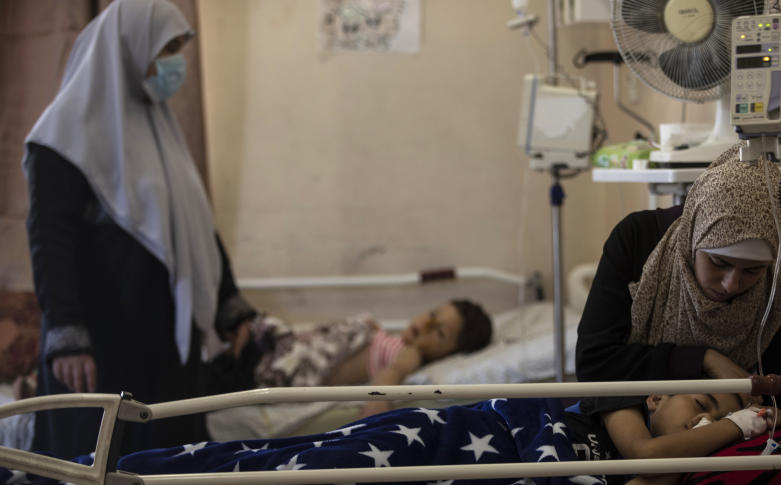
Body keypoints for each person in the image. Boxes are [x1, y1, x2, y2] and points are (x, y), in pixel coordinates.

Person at [22, 0, 256, 459]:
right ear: (128, 50)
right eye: (165, 48)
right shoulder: (61, 141)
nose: (175, 63)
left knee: (169, 472)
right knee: (97, 471)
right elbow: (50, 241)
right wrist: (67, 334)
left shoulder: (159, 130)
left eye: (177, 49)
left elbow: (194, 225)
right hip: (101, 342)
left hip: (164, 337)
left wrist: (230, 305)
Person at [575, 145, 781, 429]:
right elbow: (594, 365)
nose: (731, 284)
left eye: (752, 271)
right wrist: (704, 359)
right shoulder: (636, 240)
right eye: (718, 262)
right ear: (692, 239)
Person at [204, 299, 494, 418]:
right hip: (282, 347)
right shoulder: (394, 340)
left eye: (440, 333)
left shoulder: (411, 356)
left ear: (451, 354)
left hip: (271, 365)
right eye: (432, 315)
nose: (426, 325)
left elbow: (379, 397)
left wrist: (395, 374)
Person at [564, 389, 781, 485]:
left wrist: (696, 445)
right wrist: (742, 423)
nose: (705, 421)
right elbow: (645, 454)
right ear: (656, 399)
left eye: (717, 422)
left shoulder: (675, 479)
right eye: (702, 405)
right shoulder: (621, 399)